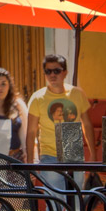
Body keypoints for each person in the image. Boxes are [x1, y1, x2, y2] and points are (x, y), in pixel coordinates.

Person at [25, 53, 93, 192]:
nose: (52, 75)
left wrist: (93, 155)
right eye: (48, 71)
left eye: (56, 70)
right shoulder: (37, 98)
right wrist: (30, 163)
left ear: (65, 72)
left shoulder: (77, 94)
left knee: (76, 200)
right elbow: (31, 132)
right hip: (49, 156)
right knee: (56, 202)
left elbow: (87, 124)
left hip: (74, 154)